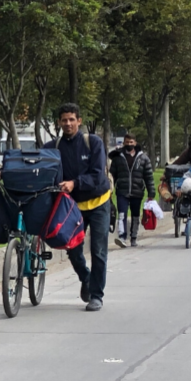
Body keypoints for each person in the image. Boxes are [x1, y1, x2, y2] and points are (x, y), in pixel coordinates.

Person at [43, 104, 112, 312]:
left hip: (99, 202)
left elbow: (98, 174)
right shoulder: (52, 147)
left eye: (72, 119)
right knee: (71, 248)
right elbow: (34, 163)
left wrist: (74, 183)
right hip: (71, 207)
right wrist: (3, 172)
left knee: (98, 251)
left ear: (79, 121)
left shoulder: (93, 142)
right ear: (59, 122)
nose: (68, 123)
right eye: (64, 120)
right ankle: (86, 278)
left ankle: (96, 295)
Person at [108, 133, 156, 249]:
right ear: (123, 143)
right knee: (122, 214)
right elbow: (112, 175)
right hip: (122, 191)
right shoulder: (118, 157)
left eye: (131, 142)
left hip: (137, 191)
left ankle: (134, 237)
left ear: (135, 143)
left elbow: (148, 176)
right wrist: (109, 189)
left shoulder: (143, 158)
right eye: (127, 142)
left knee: (135, 215)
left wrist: (151, 192)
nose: (129, 144)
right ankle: (122, 237)